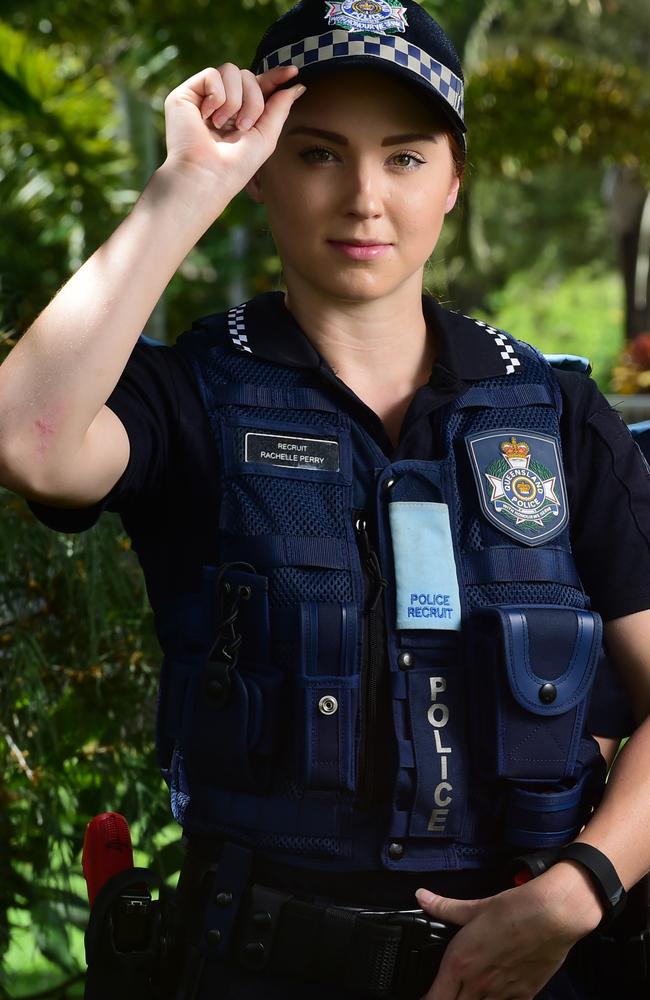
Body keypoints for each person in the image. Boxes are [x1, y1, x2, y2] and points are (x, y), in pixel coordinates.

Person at [1, 1, 650, 997]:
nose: (361, 199)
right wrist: (186, 184)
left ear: (454, 179)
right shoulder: (189, 396)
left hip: (534, 968)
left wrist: (580, 884)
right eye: (315, 155)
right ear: (262, 172)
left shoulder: (551, 411)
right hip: (253, 968)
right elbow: (29, 440)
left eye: (403, 157)